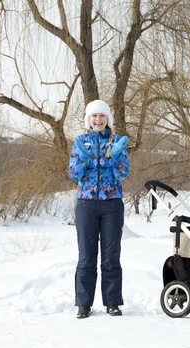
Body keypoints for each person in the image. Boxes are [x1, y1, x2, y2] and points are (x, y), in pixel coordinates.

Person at [67, 99, 130, 319]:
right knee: (86, 256)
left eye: (102, 116)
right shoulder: (80, 142)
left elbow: (122, 173)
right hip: (86, 204)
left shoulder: (117, 141)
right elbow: (74, 174)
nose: (98, 119)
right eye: (94, 116)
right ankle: (83, 303)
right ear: (89, 119)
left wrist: (112, 158)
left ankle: (112, 302)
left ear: (107, 119)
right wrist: (83, 161)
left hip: (112, 203)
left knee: (111, 256)